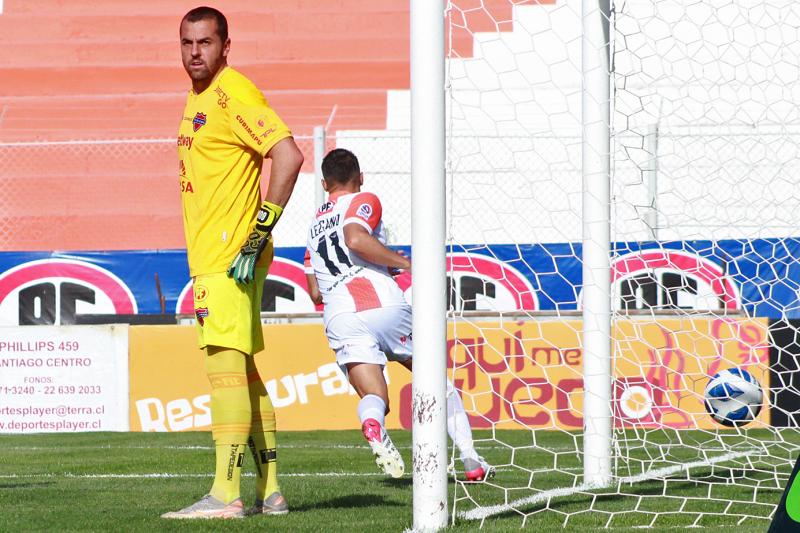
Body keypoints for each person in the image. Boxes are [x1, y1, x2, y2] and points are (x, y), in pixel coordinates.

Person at [162, 6, 304, 520]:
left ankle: (226, 494)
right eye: (186, 43)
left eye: (205, 42)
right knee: (243, 371)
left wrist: (258, 233)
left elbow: (288, 155)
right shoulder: (198, 97)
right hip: (220, 253)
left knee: (223, 368)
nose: (195, 52)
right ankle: (271, 492)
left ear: (226, 46)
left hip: (229, 255)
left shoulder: (232, 91)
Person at [304, 148, 493, 481]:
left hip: (340, 313)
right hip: (378, 300)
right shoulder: (364, 199)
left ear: (324, 183)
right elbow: (356, 238)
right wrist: (402, 263)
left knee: (375, 396)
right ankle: (471, 460)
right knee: (435, 380)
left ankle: (373, 423)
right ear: (360, 177)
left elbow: (315, 292)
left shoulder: (313, 229)